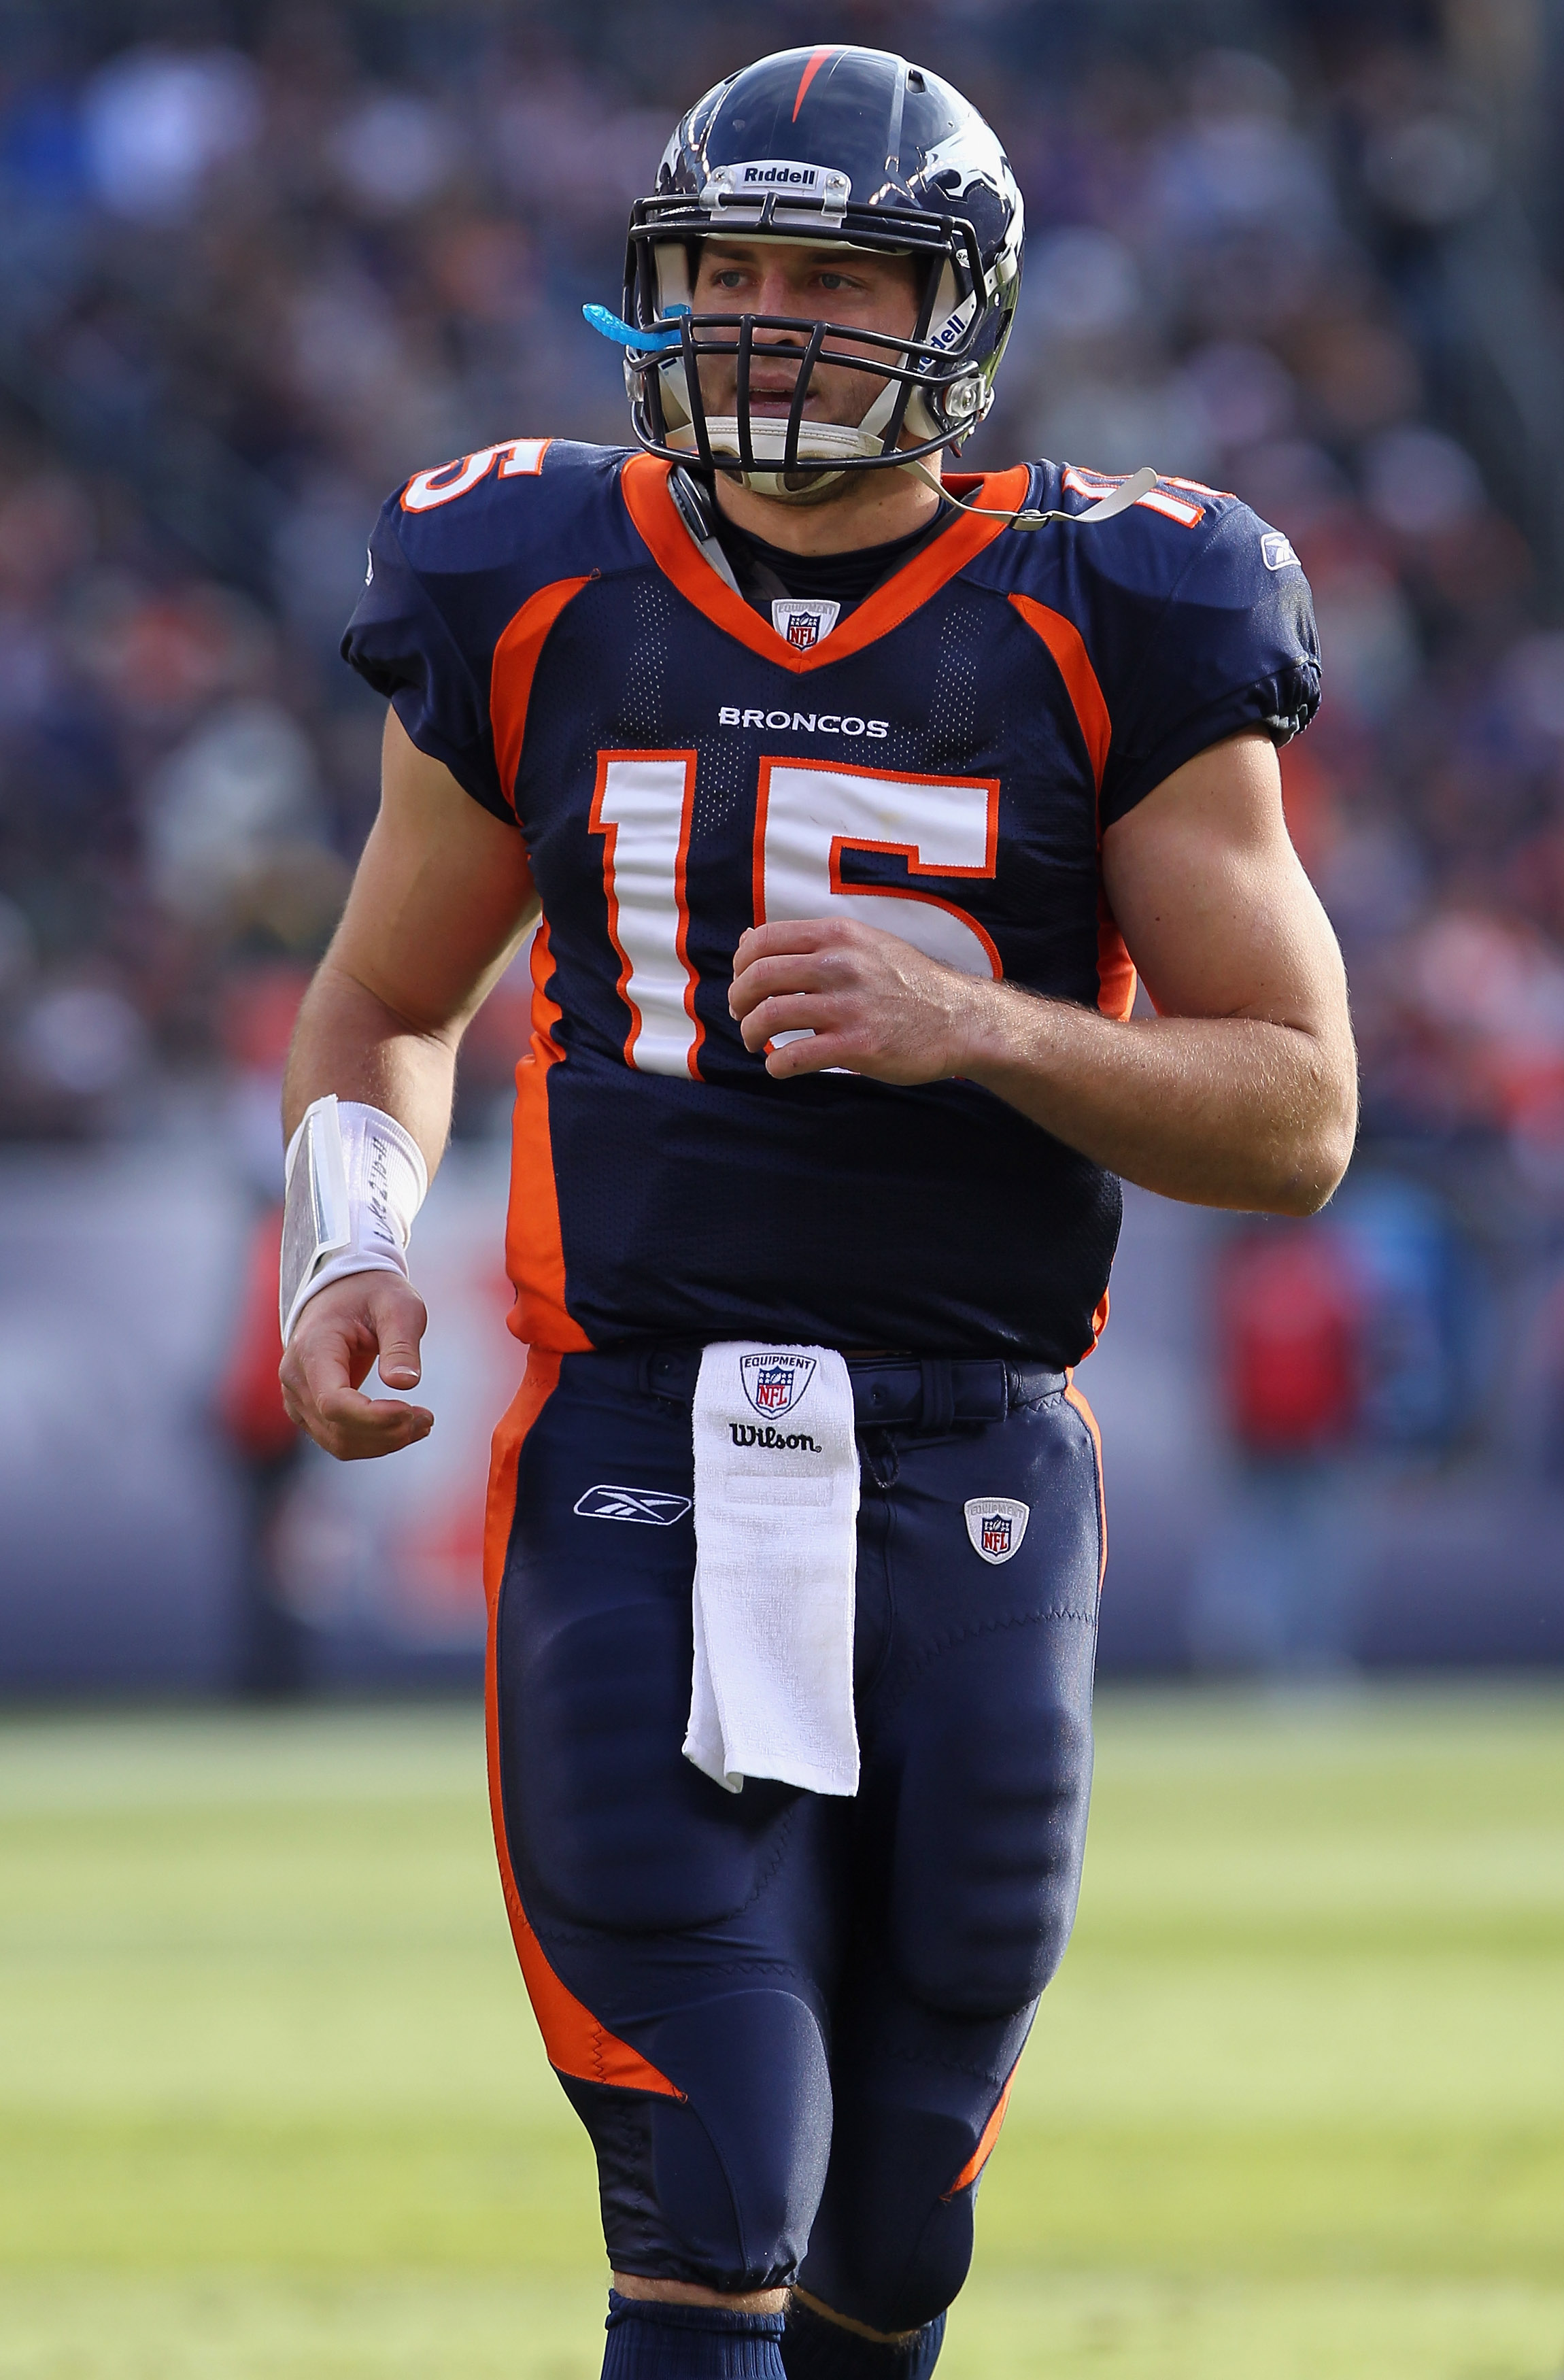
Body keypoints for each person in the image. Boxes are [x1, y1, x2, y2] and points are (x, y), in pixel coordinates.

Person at [277, 45, 1357, 2380]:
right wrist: (349, 1240)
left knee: (895, 2217)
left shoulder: (1128, 602)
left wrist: (989, 1031)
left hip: (971, 1455)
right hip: (632, 1440)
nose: (769, 328)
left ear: (953, 315)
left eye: (830, 277)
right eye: (726, 274)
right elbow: (380, 993)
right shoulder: (530, 569)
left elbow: (1293, 1112)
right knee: (716, 2168)